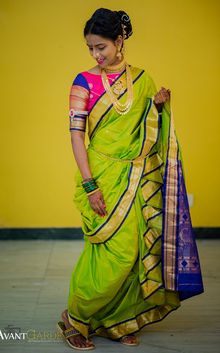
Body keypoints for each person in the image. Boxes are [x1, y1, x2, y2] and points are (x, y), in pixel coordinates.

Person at [57, 8, 204, 351]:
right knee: (109, 254)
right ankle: (74, 317)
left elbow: (145, 125)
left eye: (101, 47)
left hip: (136, 177)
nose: (95, 55)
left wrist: (157, 105)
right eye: (90, 48)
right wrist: (90, 184)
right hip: (101, 175)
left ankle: (117, 319)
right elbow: (77, 136)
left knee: (135, 249)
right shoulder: (83, 82)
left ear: (119, 41)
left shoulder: (142, 79)